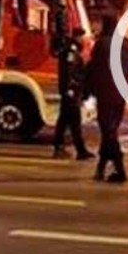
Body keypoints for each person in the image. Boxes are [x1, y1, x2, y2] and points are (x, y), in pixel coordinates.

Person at [85, 14, 128, 183]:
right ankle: (100, 169)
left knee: (108, 131)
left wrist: (86, 90)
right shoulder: (127, 43)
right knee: (110, 130)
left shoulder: (101, 44)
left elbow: (92, 67)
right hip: (122, 93)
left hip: (105, 93)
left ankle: (120, 170)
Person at [52, 29, 93, 160]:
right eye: (81, 37)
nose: (83, 40)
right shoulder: (71, 51)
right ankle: (80, 151)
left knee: (63, 121)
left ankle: (59, 148)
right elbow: (69, 71)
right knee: (75, 121)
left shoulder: (71, 50)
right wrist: (70, 89)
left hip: (70, 91)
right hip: (72, 91)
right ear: (77, 37)